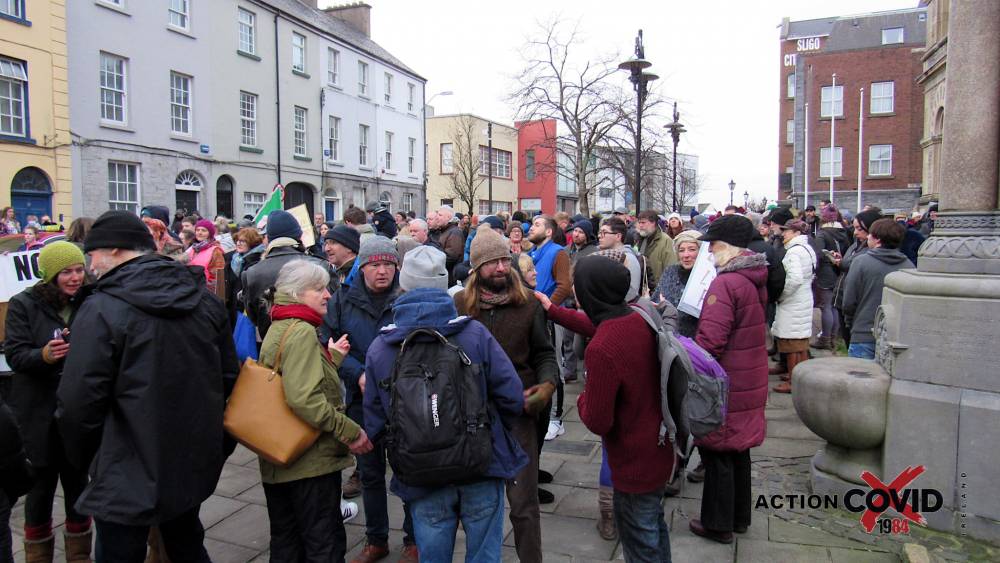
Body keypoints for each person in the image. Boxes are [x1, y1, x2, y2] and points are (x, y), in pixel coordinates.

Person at [56, 210, 239, 561]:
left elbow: (78, 403)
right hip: (187, 460)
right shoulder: (203, 300)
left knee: (123, 551)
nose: (89, 266)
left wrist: (91, 460)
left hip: (125, 467)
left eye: (91, 255)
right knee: (186, 544)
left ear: (114, 250)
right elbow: (228, 379)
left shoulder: (101, 309)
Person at [364, 247, 527, 562]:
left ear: (404, 285)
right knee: (484, 555)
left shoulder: (381, 348)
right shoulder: (474, 334)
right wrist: (491, 427)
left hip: (421, 472)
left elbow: (374, 419)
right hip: (481, 462)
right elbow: (512, 395)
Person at [543, 254, 674, 561]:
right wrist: (553, 311)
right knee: (654, 527)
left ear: (591, 292)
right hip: (660, 447)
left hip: (632, 462)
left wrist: (583, 398)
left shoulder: (603, 349)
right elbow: (599, 324)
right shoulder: (637, 315)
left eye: (577, 287)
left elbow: (598, 421)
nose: (574, 292)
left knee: (640, 541)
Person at [258, 260, 373, 561]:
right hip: (308, 460)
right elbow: (304, 399)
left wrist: (330, 360)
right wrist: (351, 431)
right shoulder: (301, 333)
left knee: (287, 540)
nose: (327, 296)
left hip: (283, 459)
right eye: (319, 289)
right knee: (323, 541)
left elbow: (292, 381)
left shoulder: (282, 324)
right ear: (297, 293)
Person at [454, 228, 558, 563]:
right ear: (476, 267)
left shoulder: (528, 303)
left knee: (524, 504)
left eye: (504, 260)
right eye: (492, 262)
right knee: (479, 505)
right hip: (473, 415)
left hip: (519, 413)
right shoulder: (459, 305)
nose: (501, 267)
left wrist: (547, 386)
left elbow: (544, 354)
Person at [319, 238, 418, 562]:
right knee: (370, 473)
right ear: (362, 267)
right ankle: (376, 539)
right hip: (362, 403)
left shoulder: (406, 299)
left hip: (402, 401)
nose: (382, 271)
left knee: (408, 474)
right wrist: (358, 374)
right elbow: (327, 342)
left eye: (388, 264)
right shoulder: (342, 300)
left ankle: (413, 540)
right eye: (375, 265)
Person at [4, 242, 92, 562]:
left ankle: (79, 555)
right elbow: (14, 354)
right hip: (37, 412)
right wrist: (43, 354)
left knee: (78, 486)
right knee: (39, 490)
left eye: (79, 270)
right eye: (66, 272)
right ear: (49, 274)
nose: (74, 278)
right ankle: (38, 556)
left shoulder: (89, 300)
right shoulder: (23, 304)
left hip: (76, 411)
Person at [686, 216, 769, 544]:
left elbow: (712, 342)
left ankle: (718, 524)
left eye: (714, 245)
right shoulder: (752, 275)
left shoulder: (726, 283)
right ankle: (739, 518)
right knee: (738, 451)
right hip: (747, 375)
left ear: (730, 247)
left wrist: (688, 351)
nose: (709, 253)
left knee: (718, 450)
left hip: (727, 380)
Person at [242, 209, 337, 339]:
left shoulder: (251, 273)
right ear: (298, 236)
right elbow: (333, 308)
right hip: (315, 342)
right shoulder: (321, 265)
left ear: (268, 238)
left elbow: (254, 316)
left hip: (272, 344)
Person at [842, 219, 915, 359]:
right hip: (896, 337)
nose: (867, 237)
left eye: (870, 234)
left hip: (863, 334)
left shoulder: (861, 262)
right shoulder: (909, 266)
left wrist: (851, 323)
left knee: (859, 378)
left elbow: (848, 301)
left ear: (878, 240)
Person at [770, 218, 817, 394]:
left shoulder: (794, 252)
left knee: (791, 342)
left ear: (797, 233)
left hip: (794, 301)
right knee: (800, 341)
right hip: (803, 298)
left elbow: (794, 279)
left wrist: (782, 294)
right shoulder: (806, 249)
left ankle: (793, 379)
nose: (783, 234)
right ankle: (800, 377)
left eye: (787, 231)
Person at [832, 210, 881, 347]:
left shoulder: (870, 252)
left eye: (859, 229)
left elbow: (853, 265)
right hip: (842, 296)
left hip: (856, 306)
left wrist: (841, 263)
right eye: (854, 228)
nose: (855, 232)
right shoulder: (854, 245)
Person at [813, 205, 850, 350]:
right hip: (840, 270)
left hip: (826, 272)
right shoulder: (844, 232)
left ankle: (825, 339)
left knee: (826, 307)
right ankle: (833, 338)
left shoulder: (823, 233)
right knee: (834, 306)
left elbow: (819, 253)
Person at [654, 230, 703, 338]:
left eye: (692, 249)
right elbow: (656, 300)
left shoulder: (708, 276)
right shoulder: (670, 271)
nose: (686, 255)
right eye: (681, 250)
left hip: (696, 342)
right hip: (670, 338)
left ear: (701, 251)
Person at [597, 217, 642, 302]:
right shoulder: (601, 255)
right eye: (600, 232)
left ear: (618, 236)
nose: (599, 236)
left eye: (604, 233)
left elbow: (631, 293)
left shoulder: (628, 258)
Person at [636, 210, 678, 291]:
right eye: (639, 222)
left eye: (643, 222)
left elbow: (671, 268)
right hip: (643, 288)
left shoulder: (666, 240)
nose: (640, 225)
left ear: (653, 223)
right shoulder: (640, 239)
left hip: (658, 290)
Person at [186, 219, 226, 294]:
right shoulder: (193, 248)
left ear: (210, 234)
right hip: (191, 290)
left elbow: (218, 277)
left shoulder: (215, 251)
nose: (200, 233)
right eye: (197, 230)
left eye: (203, 230)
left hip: (206, 292)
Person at [430, 206, 465, 283]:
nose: (437, 218)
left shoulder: (455, 232)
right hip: (444, 277)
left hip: (450, 279)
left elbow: (451, 257)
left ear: (448, 217)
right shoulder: (445, 231)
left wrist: (433, 256)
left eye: (440, 215)